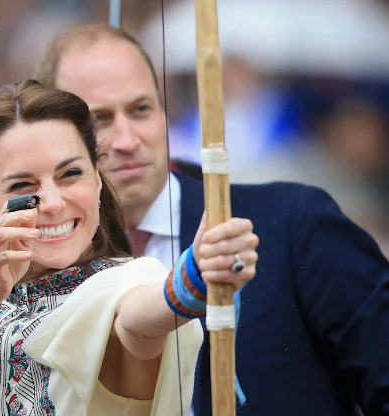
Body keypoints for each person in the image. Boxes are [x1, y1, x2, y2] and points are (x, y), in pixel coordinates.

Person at [0, 80, 257, 416]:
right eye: (23, 186)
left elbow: (139, 319)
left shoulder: (123, 283)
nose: (53, 203)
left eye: (70, 174)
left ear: (97, 179)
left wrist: (192, 281)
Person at [35, 24, 389, 415]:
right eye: (99, 119)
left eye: (141, 109)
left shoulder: (292, 222)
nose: (127, 139)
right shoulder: (38, 267)